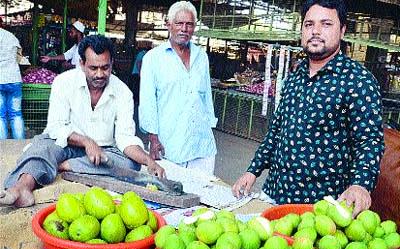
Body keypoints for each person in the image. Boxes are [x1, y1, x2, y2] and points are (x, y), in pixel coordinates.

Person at [232, 0, 385, 217]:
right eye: (308, 24)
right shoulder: (294, 78)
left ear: (342, 30)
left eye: (326, 24)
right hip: (274, 197)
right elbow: (276, 132)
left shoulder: (358, 81)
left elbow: (369, 141)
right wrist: (252, 170)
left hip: (320, 212)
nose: (315, 31)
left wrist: (361, 184)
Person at [0, 35, 165, 208]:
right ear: (81, 63)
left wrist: (149, 161)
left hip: (102, 153)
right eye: (93, 68)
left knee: (131, 164)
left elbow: (125, 138)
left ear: (112, 63)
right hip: (64, 145)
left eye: (105, 68)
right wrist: (86, 141)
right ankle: (21, 189)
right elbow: (56, 126)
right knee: (41, 147)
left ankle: (62, 166)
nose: (100, 74)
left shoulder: (123, 92)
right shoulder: (63, 82)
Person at [139, 1, 217, 175]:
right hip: (169, 144)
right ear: (169, 25)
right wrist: (153, 138)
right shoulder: (153, 58)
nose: (184, 29)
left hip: (201, 144)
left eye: (189, 24)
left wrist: (210, 125)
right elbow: (147, 102)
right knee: (171, 196)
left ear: (194, 28)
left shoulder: (201, 56)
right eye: (179, 23)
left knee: (203, 196)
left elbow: (206, 96)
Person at [0, 17, 25, 139]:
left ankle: (3, 147)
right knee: (16, 114)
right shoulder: (11, 37)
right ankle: (20, 146)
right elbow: (19, 57)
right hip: (14, 78)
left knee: (0, 116)